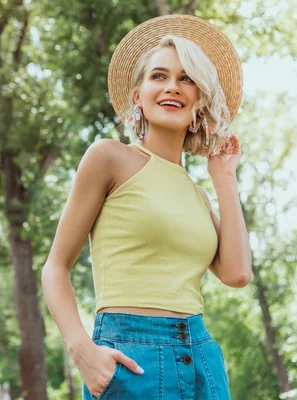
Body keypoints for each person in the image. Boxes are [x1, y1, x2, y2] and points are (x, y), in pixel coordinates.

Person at [41, 14, 252, 399]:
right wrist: (81, 349)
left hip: (201, 356)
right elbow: (55, 268)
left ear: (200, 100)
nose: (173, 86)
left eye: (187, 78)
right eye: (159, 76)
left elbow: (237, 273)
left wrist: (224, 177)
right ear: (137, 96)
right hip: (131, 359)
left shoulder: (198, 194)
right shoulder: (110, 158)